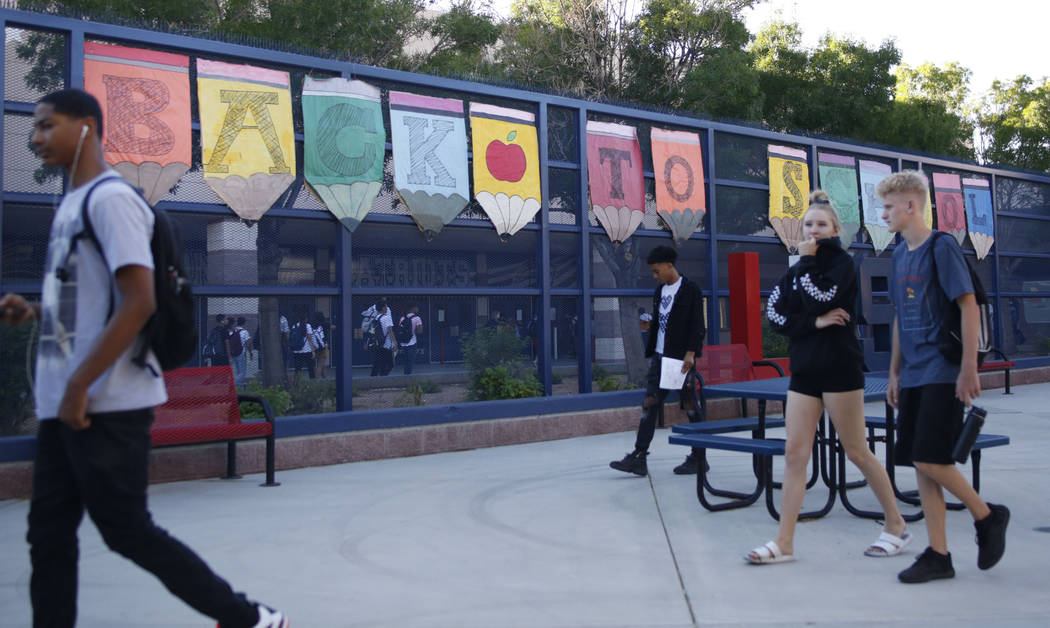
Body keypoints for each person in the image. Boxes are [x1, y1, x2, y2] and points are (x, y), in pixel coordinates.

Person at [0, 88, 287, 627]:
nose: (35, 137)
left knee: (127, 530)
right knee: (49, 536)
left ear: (87, 126)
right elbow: (89, 303)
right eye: (34, 127)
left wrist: (80, 386)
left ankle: (249, 618)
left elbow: (139, 300)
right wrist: (37, 313)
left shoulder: (112, 201)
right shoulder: (73, 205)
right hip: (67, 403)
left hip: (107, 401)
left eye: (47, 125)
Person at [745, 190, 909, 565]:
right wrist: (814, 323)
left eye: (821, 224)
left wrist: (806, 275)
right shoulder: (798, 266)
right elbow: (775, 314)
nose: (813, 230)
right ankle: (784, 542)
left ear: (834, 229)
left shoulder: (841, 265)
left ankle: (896, 523)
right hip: (804, 370)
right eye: (808, 225)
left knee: (856, 451)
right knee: (794, 454)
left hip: (839, 367)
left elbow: (824, 296)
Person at [879, 171, 1009, 583]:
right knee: (922, 464)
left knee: (929, 456)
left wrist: (969, 367)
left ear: (910, 205)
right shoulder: (898, 254)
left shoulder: (943, 246)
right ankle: (938, 554)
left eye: (887, 207)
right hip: (914, 372)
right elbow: (900, 315)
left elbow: (968, 306)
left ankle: (986, 515)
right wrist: (894, 372)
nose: (883, 214)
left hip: (944, 367)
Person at [609, 246, 704, 476]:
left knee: (690, 407)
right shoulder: (660, 291)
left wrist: (691, 353)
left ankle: (699, 457)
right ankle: (639, 457)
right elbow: (666, 323)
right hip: (660, 359)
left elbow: (697, 325)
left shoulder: (690, 290)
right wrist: (650, 327)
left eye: (656, 271)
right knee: (649, 405)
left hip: (679, 362)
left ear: (669, 265)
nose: (654, 276)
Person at [398, 304, 424, 375]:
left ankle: (405, 375)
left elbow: (400, 329)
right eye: (417, 307)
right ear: (413, 308)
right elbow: (420, 331)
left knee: (406, 360)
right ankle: (408, 376)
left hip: (403, 342)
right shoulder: (417, 318)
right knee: (411, 360)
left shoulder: (402, 318)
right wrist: (413, 331)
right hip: (412, 342)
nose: (418, 309)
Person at [289, 310, 316, 380]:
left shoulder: (294, 326)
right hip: (307, 351)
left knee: (298, 369)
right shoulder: (308, 326)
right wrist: (313, 351)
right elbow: (310, 339)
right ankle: (313, 382)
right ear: (306, 319)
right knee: (310, 368)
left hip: (297, 351)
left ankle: (296, 383)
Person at [231, 316, 252, 384]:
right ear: (244, 323)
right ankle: (233, 385)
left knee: (238, 371)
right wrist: (250, 352)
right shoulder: (244, 332)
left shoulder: (232, 331)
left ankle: (237, 387)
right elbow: (248, 344)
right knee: (242, 372)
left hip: (233, 353)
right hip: (241, 353)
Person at [310, 311, 329, 379]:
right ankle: (316, 382)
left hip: (315, 347)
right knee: (320, 365)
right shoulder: (324, 324)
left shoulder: (311, 325)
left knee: (322, 364)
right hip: (323, 346)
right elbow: (332, 327)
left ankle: (324, 379)